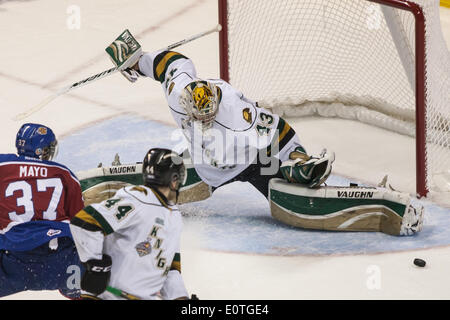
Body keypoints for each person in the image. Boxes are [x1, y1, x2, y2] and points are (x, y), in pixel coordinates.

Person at [105, 38, 423, 236]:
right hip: (208, 167)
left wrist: (296, 158)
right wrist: (136, 60)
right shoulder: (179, 88)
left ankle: (311, 173)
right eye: (196, 116)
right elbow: (167, 64)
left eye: (207, 116)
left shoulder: (236, 111)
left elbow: (278, 132)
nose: (201, 121)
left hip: (252, 160)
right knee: (160, 188)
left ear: (215, 103)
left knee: (292, 205)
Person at [70, 148, 191, 300]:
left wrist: (180, 297)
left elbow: (170, 266)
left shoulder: (174, 216)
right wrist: (96, 268)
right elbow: (84, 222)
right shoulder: (137, 197)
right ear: (174, 180)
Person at [0, 123, 84, 299]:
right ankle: (74, 289)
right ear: (42, 150)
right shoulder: (64, 173)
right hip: (59, 263)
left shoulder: (3, 164)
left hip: (11, 261)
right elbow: (79, 221)